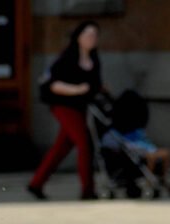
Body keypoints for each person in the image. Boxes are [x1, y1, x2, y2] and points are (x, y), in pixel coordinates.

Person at [29, 20, 103, 200]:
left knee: (61, 148)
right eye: (88, 35)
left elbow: (95, 84)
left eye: (94, 35)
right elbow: (53, 84)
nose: (91, 39)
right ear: (78, 37)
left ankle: (36, 183)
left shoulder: (94, 59)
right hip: (64, 106)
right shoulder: (67, 58)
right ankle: (88, 189)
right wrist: (78, 89)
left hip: (81, 107)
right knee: (85, 144)